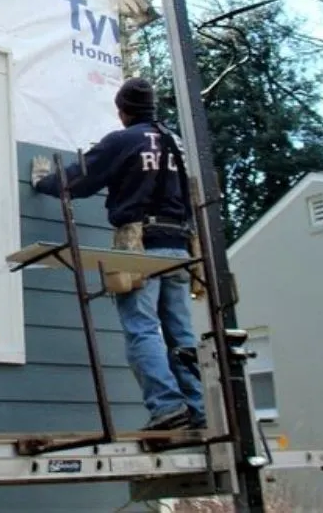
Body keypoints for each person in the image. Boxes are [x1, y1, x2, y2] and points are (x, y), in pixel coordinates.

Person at [30, 76, 205, 431]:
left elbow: (81, 179)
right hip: (179, 246)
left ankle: (168, 407)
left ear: (123, 111)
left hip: (139, 246)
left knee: (142, 329)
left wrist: (45, 181)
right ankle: (200, 408)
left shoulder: (124, 140)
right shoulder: (176, 143)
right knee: (181, 335)